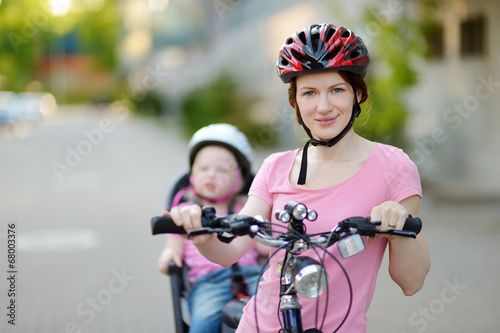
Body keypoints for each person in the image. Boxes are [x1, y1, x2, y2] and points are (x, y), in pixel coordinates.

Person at [167, 24, 431, 332]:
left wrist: (398, 227)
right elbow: (230, 251)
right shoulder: (275, 167)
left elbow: (411, 282)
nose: (323, 107)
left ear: (358, 94)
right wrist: (201, 235)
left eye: (337, 90)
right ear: (295, 102)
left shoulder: (393, 167)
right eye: (309, 93)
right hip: (260, 324)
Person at [157, 123, 267, 333]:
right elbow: (173, 245)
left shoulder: (246, 207)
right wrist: (169, 255)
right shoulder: (186, 211)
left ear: (240, 179)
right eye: (204, 169)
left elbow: (263, 248)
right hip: (209, 282)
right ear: (192, 174)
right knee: (203, 323)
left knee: (273, 313)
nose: (211, 175)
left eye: (222, 170)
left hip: (253, 276)